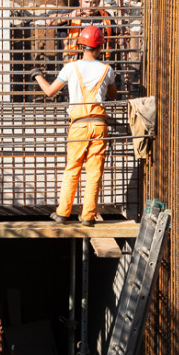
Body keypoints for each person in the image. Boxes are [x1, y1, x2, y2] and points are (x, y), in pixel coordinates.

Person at [31, 24, 116, 226]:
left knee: (73, 169)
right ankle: (88, 216)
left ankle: (63, 213)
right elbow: (112, 95)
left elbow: (50, 92)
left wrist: (37, 75)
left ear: (81, 46)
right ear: (99, 48)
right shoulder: (107, 69)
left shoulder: (71, 67)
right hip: (99, 124)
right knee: (94, 171)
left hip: (78, 125)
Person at [34, 0, 115, 67]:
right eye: (86, 2)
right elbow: (49, 21)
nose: (89, 6)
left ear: (98, 2)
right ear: (80, 1)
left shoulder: (105, 16)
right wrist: (70, 16)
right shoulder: (72, 14)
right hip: (73, 65)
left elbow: (117, 33)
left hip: (99, 65)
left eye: (93, 3)